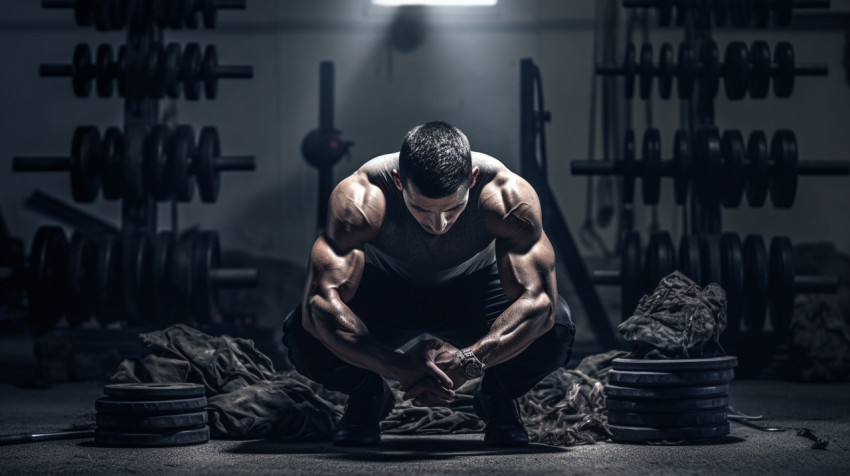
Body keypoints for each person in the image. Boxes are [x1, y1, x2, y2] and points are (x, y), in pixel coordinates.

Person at [283, 121, 575, 447]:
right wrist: (395, 367)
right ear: (398, 182)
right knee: (303, 333)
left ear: (473, 179)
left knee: (555, 328)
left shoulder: (508, 199)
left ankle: (497, 396)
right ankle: (368, 396)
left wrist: (470, 360)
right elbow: (319, 305)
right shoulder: (360, 200)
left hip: (475, 292)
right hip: (387, 293)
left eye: (453, 208)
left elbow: (539, 304)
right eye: (421, 209)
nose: (438, 224)